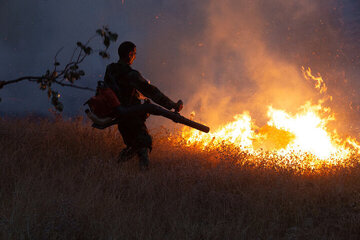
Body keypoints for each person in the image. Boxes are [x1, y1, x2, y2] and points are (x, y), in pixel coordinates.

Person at [104, 41, 183, 170]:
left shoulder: (110, 69)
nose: (135, 56)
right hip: (131, 116)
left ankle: (114, 167)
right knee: (144, 143)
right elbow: (151, 91)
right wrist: (172, 105)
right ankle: (142, 174)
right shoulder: (130, 74)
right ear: (130, 54)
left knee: (134, 146)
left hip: (120, 116)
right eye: (134, 54)